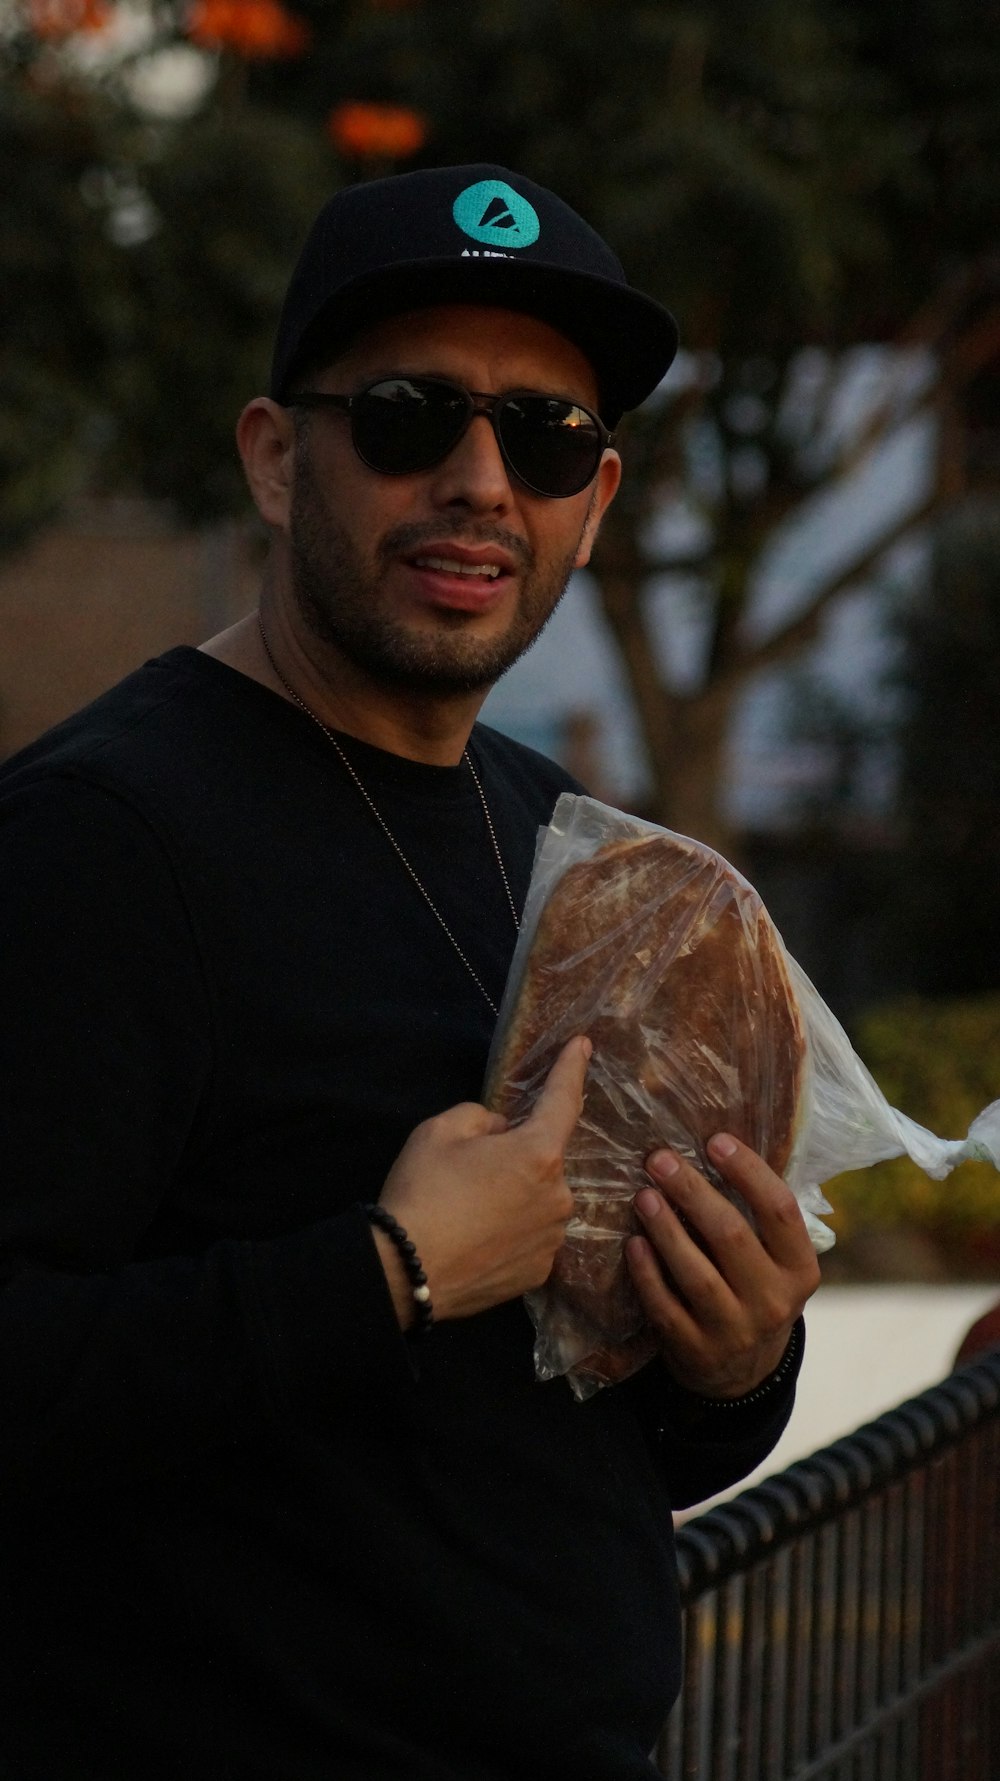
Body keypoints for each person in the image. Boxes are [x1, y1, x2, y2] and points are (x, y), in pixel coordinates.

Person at [0, 164, 820, 1780]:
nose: (479, 481)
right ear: (275, 458)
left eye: (546, 437)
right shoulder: (95, 839)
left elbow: (574, 1416)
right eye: (404, 414)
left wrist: (739, 1360)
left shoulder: (577, 854)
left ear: (595, 498)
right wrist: (386, 1270)